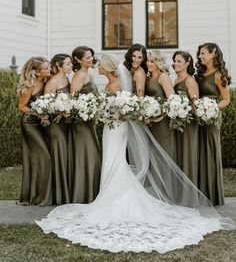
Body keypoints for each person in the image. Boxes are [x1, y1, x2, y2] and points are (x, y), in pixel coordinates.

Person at [36, 54, 235, 253]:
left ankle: (114, 194)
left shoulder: (116, 86)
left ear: (106, 67)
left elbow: (122, 109)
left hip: (115, 128)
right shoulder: (112, 83)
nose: (98, 67)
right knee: (113, 159)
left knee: (114, 158)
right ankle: (110, 190)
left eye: (100, 65)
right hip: (111, 127)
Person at [195, 43, 231, 205]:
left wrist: (212, 109)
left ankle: (213, 194)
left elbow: (226, 100)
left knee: (210, 151)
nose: (200, 56)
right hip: (198, 117)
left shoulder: (218, 75)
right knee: (200, 151)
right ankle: (201, 191)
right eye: (200, 54)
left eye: (203, 53)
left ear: (213, 54)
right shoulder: (200, 73)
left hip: (211, 118)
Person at [17, 57, 53, 206]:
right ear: (38, 72)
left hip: (42, 123)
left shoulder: (46, 82)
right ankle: (39, 197)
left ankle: (37, 194)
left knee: (40, 159)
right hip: (30, 124)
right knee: (45, 157)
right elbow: (22, 107)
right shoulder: (28, 86)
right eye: (47, 68)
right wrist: (38, 114)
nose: (50, 70)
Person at [68, 46, 101, 203]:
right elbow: (72, 101)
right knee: (86, 155)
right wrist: (86, 112)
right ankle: (83, 194)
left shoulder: (88, 73)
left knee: (92, 154)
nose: (91, 59)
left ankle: (92, 192)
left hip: (88, 122)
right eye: (87, 57)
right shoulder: (79, 76)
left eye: (91, 57)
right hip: (81, 123)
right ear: (78, 60)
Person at [44, 54, 72, 205]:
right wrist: (60, 111)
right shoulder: (53, 81)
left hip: (65, 124)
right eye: (68, 64)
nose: (70, 66)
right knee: (59, 156)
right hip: (55, 125)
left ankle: (65, 193)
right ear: (60, 66)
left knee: (65, 156)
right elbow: (46, 105)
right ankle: (58, 195)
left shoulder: (66, 79)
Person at [172, 50, 199, 186]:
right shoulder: (176, 79)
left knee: (187, 156)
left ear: (187, 63)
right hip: (177, 124)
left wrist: (183, 110)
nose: (175, 63)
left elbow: (196, 105)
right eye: (175, 61)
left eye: (179, 61)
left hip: (189, 125)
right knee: (179, 156)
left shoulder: (190, 81)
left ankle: (189, 193)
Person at [146, 50, 177, 160]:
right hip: (150, 122)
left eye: (152, 61)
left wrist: (159, 117)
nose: (148, 63)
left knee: (163, 151)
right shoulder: (148, 78)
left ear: (158, 62)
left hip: (162, 122)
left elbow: (172, 100)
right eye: (147, 61)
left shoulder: (163, 77)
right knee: (152, 154)